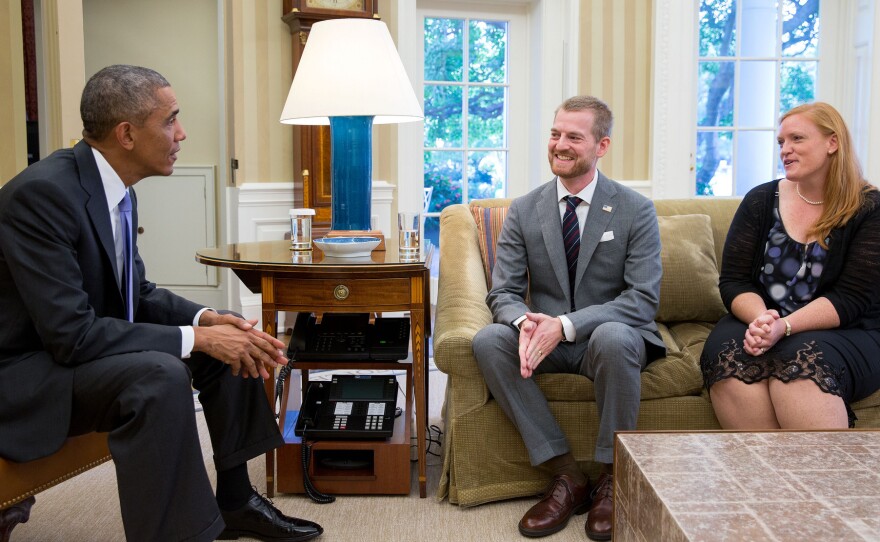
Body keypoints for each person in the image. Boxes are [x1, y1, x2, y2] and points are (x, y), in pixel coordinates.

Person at [0, 65, 322, 542]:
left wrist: (207, 320)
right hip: (29, 372)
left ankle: (237, 500)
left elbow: (139, 295)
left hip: (71, 353)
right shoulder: (41, 195)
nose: (182, 133)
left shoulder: (114, 190)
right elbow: (72, 336)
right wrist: (196, 338)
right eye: (171, 120)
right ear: (126, 134)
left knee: (227, 338)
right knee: (160, 372)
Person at [472, 95, 665, 541]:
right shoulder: (524, 209)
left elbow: (641, 299)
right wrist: (527, 324)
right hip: (546, 341)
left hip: (607, 340)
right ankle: (567, 476)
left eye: (574, 137)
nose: (560, 144)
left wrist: (568, 325)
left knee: (616, 337)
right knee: (487, 341)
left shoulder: (636, 209)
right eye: (556, 134)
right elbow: (502, 291)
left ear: (601, 145)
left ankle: (612, 479)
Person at [700, 102, 880, 432]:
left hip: (846, 329)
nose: (785, 150)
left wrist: (784, 327)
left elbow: (851, 299)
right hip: (760, 318)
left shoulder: (870, 208)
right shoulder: (760, 200)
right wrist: (762, 321)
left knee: (799, 360)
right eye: (781, 142)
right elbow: (734, 282)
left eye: (797, 138)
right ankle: (764, 480)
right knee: (728, 355)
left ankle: (819, 480)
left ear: (832, 143)